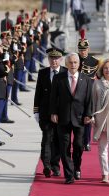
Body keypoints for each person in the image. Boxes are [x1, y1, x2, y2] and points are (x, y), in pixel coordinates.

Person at [50, 53, 92, 184]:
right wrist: (53, 113)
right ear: (66, 64)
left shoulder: (86, 79)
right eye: (70, 62)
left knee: (79, 146)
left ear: (79, 64)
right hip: (63, 118)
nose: (73, 65)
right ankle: (69, 175)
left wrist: (88, 115)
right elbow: (53, 97)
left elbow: (89, 99)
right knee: (64, 147)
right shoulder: (58, 78)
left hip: (80, 119)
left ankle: (77, 167)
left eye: (75, 62)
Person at [34, 48, 67, 178]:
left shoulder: (65, 72)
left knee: (58, 141)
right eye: (51, 58)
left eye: (56, 58)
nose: (54, 60)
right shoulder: (43, 73)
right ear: (48, 59)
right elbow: (38, 93)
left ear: (61, 59)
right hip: (45, 112)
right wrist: (36, 111)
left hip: (61, 113)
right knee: (47, 139)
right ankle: (46, 166)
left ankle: (55, 166)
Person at [77, 29, 100, 151]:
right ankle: (79, 141)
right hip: (76, 94)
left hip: (89, 95)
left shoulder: (95, 62)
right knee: (77, 120)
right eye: (80, 50)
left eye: (84, 49)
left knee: (88, 119)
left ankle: (86, 142)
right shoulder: (74, 60)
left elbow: (101, 79)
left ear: (88, 49)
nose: (83, 52)